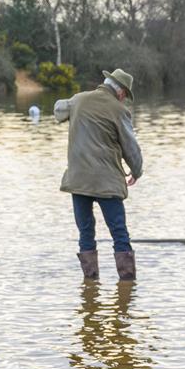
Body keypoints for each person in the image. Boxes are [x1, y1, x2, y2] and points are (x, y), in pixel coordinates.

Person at [54, 68, 143, 282]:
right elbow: (131, 148)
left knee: (86, 234)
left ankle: (90, 284)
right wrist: (137, 171)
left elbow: (58, 109)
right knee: (119, 233)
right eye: (125, 95)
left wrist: (75, 108)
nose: (124, 99)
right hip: (107, 183)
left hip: (79, 181)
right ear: (120, 92)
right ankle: (128, 284)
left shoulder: (78, 100)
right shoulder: (119, 111)